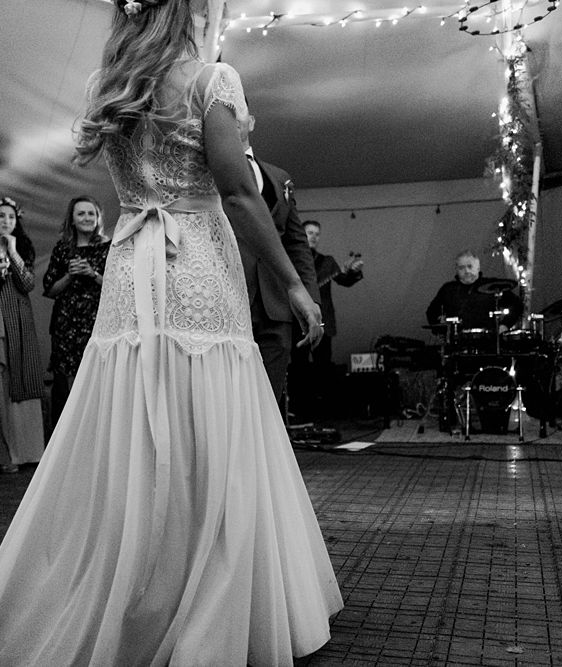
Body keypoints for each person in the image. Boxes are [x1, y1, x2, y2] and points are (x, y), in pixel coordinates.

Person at [0, 1, 342, 664]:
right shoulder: (212, 79)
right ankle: (205, 599)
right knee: (206, 430)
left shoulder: (116, 81)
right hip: (196, 272)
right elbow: (240, 195)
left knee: (131, 429)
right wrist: (294, 283)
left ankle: (126, 582)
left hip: (131, 275)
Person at [237, 102, 320, 404]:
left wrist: (310, 299)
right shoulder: (205, 175)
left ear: (252, 121)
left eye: (238, 110)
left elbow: (297, 244)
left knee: (269, 401)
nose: (232, 117)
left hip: (275, 306)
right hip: (228, 298)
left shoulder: (279, 177)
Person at [43, 195, 110, 427]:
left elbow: (120, 286)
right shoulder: (62, 248)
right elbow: (50, 290)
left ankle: (97, 431)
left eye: (91, 213)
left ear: (98, 217)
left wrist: (93, 274)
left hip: (97, 322)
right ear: (72, 219)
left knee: (98, 379)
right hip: (66, 325)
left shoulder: (108, 248)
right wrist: (70, 275)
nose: (87, 217)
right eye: (81, 213)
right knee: (66, 382)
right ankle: (65, 435)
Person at [288, 219, 363, 418]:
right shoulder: (291, 262)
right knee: (299, 367)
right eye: (309, 232)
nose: (313, 237)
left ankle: (324, 412)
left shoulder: (327, 262)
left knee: (323, 367)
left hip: (323, 322)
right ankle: (300, 410)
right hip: (298, 322)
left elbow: (345, 281)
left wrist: (353, 272)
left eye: (317, 234)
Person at [0, 197, 45, 473]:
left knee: (20, 380)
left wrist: (13, 253)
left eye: (11, 218)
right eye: (1, 217)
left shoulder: (22, 246)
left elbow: (27, 283)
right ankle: (5, 453)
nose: (6, 222)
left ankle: (25, 450)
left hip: (16, 322)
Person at [426, 249, 523, 332]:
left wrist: (505, 324)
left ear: (478, 267)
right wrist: (440, 331)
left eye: (470, 266)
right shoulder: (448, 289)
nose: (466, 271)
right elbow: (431, 312)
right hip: (456, 343)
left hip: (488, 342)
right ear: (456, 269)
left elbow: (517, 305)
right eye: (462, 268)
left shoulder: (493, 286)